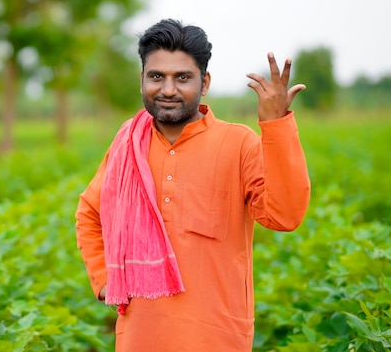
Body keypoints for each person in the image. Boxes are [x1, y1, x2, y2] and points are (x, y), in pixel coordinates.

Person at [74, 18, 310, 351]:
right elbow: (90, 213)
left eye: (182, 77)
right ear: (142, 79)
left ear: (205, 82)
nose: (168, 89)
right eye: (157, 76)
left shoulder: (237, 143)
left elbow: (284, 216)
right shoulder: (129, 145)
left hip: (216, 338)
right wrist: (104, 279)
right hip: (140, 338)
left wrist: (276, 127)